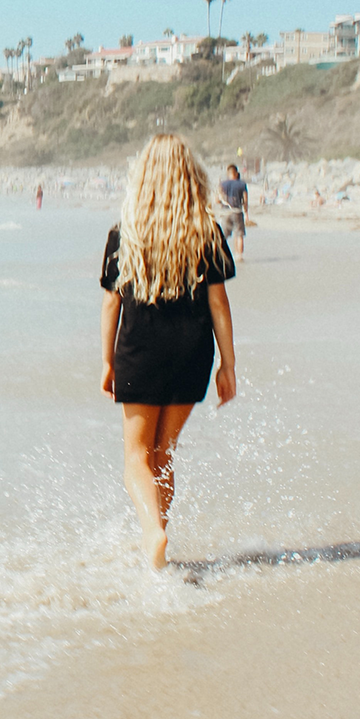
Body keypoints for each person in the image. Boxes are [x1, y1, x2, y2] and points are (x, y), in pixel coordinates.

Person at [99, 135, 238, 569]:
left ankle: (152, 533)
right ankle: (161, 540)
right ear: (190, 176)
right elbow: (218, 303)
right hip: (192, 354)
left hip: (140, 351)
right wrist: (227, 365)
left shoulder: (126, 234)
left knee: (136, 457)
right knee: (163, 453)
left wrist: (106, 362)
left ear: (143, 178)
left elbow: (111, 303)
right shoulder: (206, 233)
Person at [217, 164, 249, 258]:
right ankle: (239, 256)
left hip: (225, 213)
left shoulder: (222, 184)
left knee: (223, 236)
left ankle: (221, 255)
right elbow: (245, 200)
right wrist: (246, 213)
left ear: (229, 173)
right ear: (236, 173)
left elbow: (217, 199)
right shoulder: (242, 184)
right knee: (239, 235)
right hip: (237, 212)